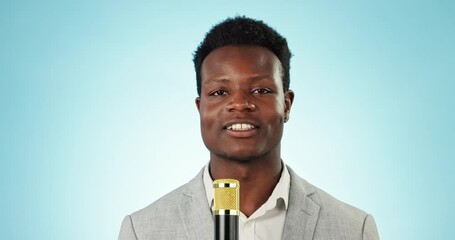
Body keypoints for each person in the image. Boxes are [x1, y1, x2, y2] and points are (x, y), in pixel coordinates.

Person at [118, 16, 379, 240]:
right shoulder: (142, 231)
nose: (240, 104)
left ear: (286, 105)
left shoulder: (355, 229)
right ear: (200, 108)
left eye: (260, 90)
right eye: (220, 91)